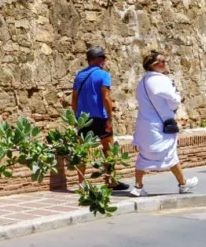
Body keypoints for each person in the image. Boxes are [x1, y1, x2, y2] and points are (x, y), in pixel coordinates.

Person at [130, 49, 198, 195]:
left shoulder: (142, 82)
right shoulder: (160, 80)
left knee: (144, 155)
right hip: (159, 125)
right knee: (170, 154)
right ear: (154, 65)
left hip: (144, 123)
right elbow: (173, 100)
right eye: (162, 62)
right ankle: (183, 184)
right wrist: (175, 103)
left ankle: (138, 186)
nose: (165, 64)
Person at [71, 46, 132, 192]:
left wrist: (77, 117)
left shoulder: (79, 76)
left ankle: (81, 184)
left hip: (84, 119)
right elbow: (106, 97)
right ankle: (110, 180)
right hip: (101, 117)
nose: (105, 61)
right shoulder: (103, 75)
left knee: (82, 151)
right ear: (99, 60)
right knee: (108, 150)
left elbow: (74, 99)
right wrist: (110, 117)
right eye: (104, 58)